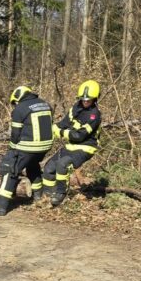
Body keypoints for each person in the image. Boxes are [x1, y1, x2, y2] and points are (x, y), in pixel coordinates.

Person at [0, 85, 54, 216]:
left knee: (11, 168)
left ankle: (0, 205)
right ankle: (38, 197)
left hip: (29, 146)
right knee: (32, 165)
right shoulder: (45, 104)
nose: (14, 105)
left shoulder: (20, 109)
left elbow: (15, 134)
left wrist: (12, 149)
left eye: (14, 103)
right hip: (45, 147)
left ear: (17, 98)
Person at [43, 79, 102, 207]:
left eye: (88, 99)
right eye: (83, 99)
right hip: (70, 146)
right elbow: (63, 124)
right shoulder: (76, 107)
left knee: (63, 164)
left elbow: (79, 136)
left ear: (95, 99)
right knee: (49, 168)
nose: (85, 101)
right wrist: (54, 128)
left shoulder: (94, 115)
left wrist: (61, 132)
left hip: (86, 148)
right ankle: (46, 195)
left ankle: (60, 195)